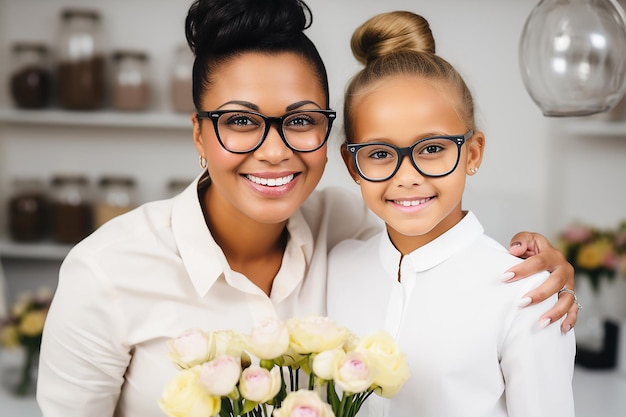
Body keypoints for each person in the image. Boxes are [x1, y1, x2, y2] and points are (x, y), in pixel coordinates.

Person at [37, 1, 576, 416]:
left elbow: (434, 238)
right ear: (199, 133)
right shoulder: (105, 272)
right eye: (241, 120)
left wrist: (538, 258)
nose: (274, 151)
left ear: (327, 133)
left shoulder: (344, 225)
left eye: (299, 120)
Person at [327, 10, 576, 417]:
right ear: (353, 165)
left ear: (472, 153)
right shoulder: (335, 268)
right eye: (378, 153)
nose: (406, 177)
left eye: (431, 149)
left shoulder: (528, 295)